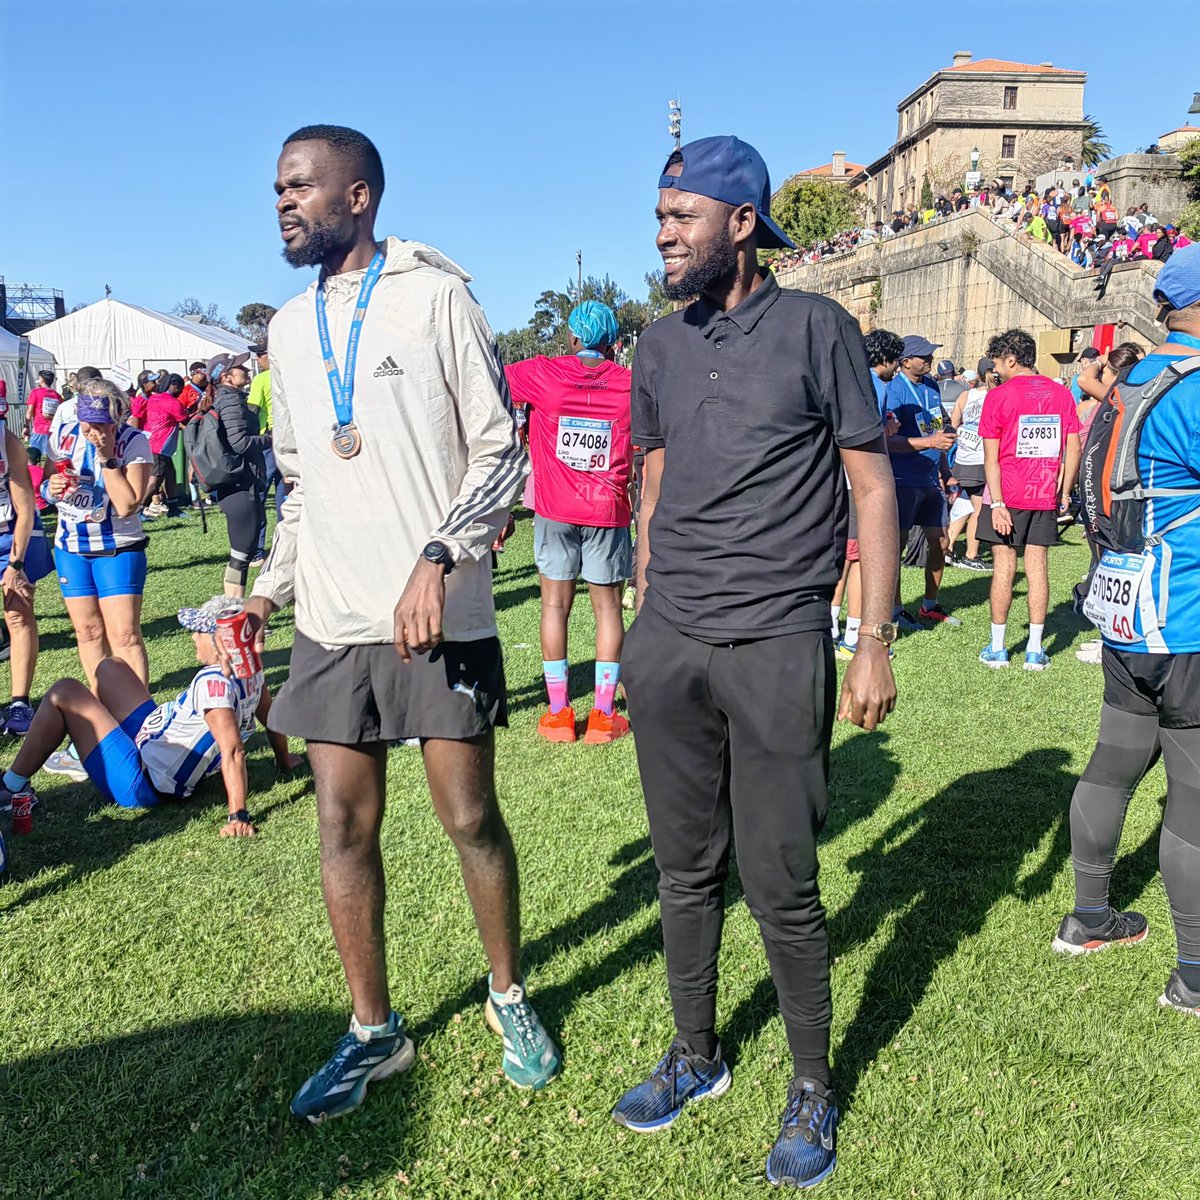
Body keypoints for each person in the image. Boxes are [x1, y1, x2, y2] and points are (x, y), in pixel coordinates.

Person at [246, 123, 557, 1124]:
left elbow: (502, 450)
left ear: (360, 195)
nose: (285, 201)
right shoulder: (289, 331)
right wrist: (265, 593)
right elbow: (300, 485)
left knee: (468, 816)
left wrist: (440, 555)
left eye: (302, 185)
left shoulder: (435, 297)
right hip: (335, 619)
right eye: (278, 188)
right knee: (341, 820)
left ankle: (508, 996)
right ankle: (374, 1033)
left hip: (441, 611)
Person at [610, 135, 899, 1190]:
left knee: (781, 879)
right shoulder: (658, 345)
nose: (662, 235)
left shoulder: (818, 329)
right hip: (671, 641)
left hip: (779, 639)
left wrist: (872, 638)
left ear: (741, 223)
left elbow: (872, 487)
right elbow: (653, 465)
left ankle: (814, 1085)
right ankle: (696, 1053)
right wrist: (646, 595)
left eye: (678, 216)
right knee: (684, 870)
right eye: (658, 217)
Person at [1053, 244, 1200, 1021]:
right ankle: (1195, 974)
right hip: (1187, 618)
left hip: (1126, 611)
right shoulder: (1196, 388)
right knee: (1195, 798)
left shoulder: (1128, 382)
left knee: (1113, 767)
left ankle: (1089, 916)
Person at [0, 597, 301, 833]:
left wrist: (238, 815)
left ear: (219, 641)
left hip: (142, 780)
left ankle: (11, 785)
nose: (193, 637)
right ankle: (91, 747)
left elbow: (232, 749)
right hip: (155, 745)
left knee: (63, 692)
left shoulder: (213, 684)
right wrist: (284, 760)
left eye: (198, 631)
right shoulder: (250, 674)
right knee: (110, 667)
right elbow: (271, 718)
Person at [504, 300, 633, 744]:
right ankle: (602, 714)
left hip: (554, 507)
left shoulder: (542, 373)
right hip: (607, 508)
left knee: (554, 607)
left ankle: (558, 714)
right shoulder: (627, 383)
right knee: (608, 609)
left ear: (573, 339)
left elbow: (493, 382)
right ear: (613, 343)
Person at [975, 329, 1081, 670]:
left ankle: (997, 647)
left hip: (1007, 492)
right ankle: (1035, 650)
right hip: (1043, 491)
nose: (995, 371)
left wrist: (998, 503)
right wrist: (1064, 491)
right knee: (1038, 569)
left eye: (997, 364)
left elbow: (990, 458)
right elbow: (1073, 447)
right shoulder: (1062, 394)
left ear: (1010, 359)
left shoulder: (998, 396)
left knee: (1004, 568)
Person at [43, 377, 153, 689]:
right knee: (88, 632)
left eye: (102, 424)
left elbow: (126, 504)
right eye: (87, 423)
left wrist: (106, 457)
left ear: (116, 418)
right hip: (71, 547)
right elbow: (48, 485)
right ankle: (102, 707)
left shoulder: (134, 442)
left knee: (124, 635)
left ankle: (138, 715)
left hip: (117, 547)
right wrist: (50, 489)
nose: (93, 431)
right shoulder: (63, 436)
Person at [837, 328, 902, 657]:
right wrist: (885, 428)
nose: (897, 369)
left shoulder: (848, 377)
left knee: (842, 558)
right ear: (886, 359)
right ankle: (853, 636)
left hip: (841, 482)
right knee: (861, 557)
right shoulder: (872, 384)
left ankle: (833, 628)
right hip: (860, 483)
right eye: (897, 362)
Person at [885, 334, 956, 628]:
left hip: (929, 478)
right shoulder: (894, 390)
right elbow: (889, 441)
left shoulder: (931, 386)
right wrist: (929, 441)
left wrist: (945, 470)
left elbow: (938, 430)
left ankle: (930, 604)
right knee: (897, 545)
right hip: (902, 478)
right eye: (923, 356)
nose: (930, 360)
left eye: (931, 355)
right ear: (905, 362)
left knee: (940, 541)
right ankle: (896, 609)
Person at [0, 387, 55, 735]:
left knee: (18, 613)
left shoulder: (8, 442)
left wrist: (15, 565)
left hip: (9, 535)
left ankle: (20, 702)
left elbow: (25, 509)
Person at [198, 353, 269, 598]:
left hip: (239, 482)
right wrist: (273, 438)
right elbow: (239, 443)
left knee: (244, 551)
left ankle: (235, 607)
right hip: (238, 483)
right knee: (240, 553)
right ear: (227, 376)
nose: (247, 371)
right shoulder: (230, 401)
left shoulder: (229, 398)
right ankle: (234, 609)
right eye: (240, 368)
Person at [946, 357, 994, 572]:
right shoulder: (996, 396)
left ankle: (947, 548)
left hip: (962, 460)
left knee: (964, 503)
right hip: (981, 460)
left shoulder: (965, 396)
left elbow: (953, 425)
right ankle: (971, 556)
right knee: (979, 509)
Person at [247, 341, 284, 565]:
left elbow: (253, 410)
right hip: (290, 438)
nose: (259, 361)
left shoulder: (261, 379)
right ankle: (284, 547)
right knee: (285, 495)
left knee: (259, 494)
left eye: (260, 356)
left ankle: (257, 551)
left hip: (268, 440)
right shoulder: (288, 376)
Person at [131, 373, 189, 517]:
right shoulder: (172, 403)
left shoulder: (153, 398)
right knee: (156, 478)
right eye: (180, 387)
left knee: (170, 474)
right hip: (160, 445)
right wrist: (202, 411)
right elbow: (185, 420)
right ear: (174, 386)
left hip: (153, 443)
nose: (182, 390)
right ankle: (138, 510)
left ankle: (174, 508)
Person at [26, 370, 61, 466]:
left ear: (41, 380)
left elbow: (29, 411)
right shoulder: (57, 395)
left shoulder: (35, 392)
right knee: (52, 457)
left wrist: (26, 426)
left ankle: (35, 476)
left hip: (39, 428)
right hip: (52, 429)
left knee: (33, 457)